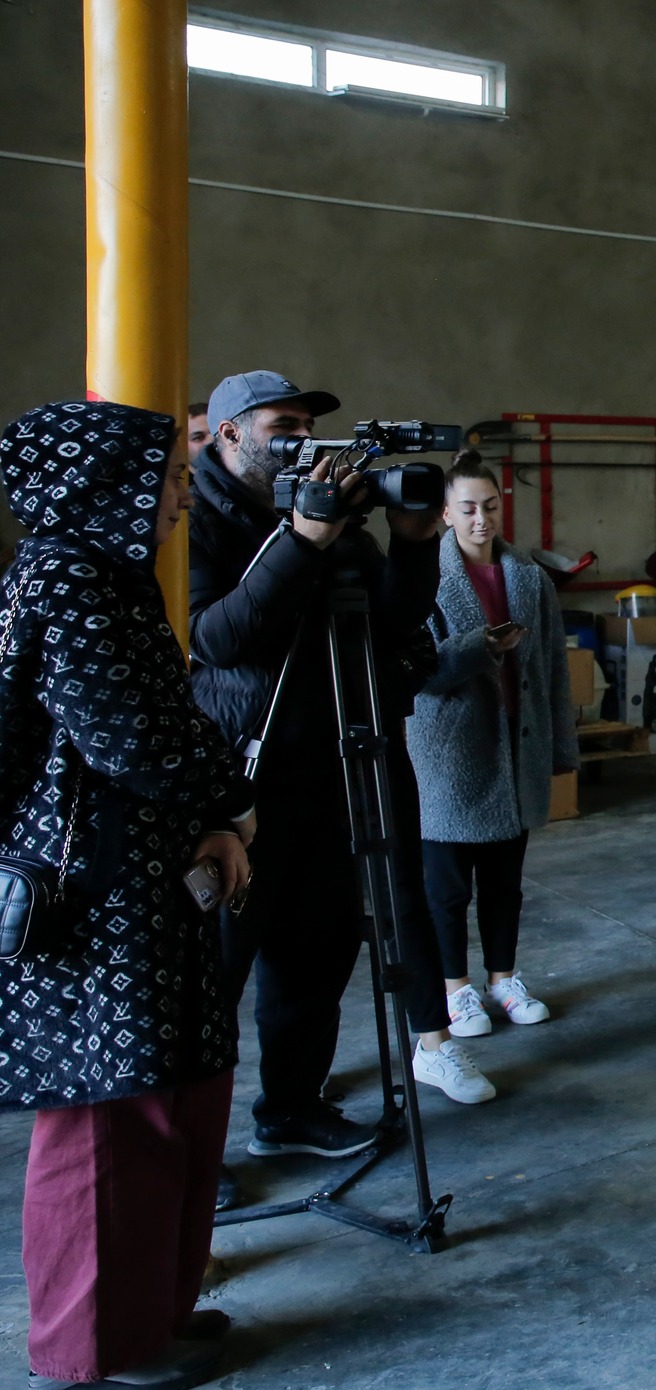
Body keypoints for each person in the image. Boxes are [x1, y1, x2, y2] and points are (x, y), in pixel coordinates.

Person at [0, 401, 256, 1390]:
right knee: (107, 1118)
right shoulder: (68, 574)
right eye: (169, 477)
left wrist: (212, 811)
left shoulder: (108, 572)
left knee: (171, 1098)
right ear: (103, 482)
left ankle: (155, 1312)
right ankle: (94, 1352)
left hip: (143, 882)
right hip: (95, 894)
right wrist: (231, 795)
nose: (181, 494)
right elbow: (131, 737)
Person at [188, 371, 494, 1173]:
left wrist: (415, 542)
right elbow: (216, 639)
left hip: (335, 768)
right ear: (230, 434)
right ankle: (186, 1158)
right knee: (212, 971)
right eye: (282, 427)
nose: (301, 440)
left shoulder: (334, 509)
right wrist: (301, 540)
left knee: (316, 953)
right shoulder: (197, 519)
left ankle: (291, 1109)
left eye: (307, 426)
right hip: (238, 780)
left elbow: (390, 623)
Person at [407, 452, 577, 1045]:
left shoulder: (529, 577)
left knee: (506, 882)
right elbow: (417, 671)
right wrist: (482, 646)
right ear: (446, 513)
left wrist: (560, 748)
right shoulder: (423, 577)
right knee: (448, 888)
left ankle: (503, 978)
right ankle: (455, 989)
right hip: (449, 752)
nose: (482, 519)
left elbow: (554, 668)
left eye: (491, 506)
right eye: (468, 509)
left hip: (516, 744)